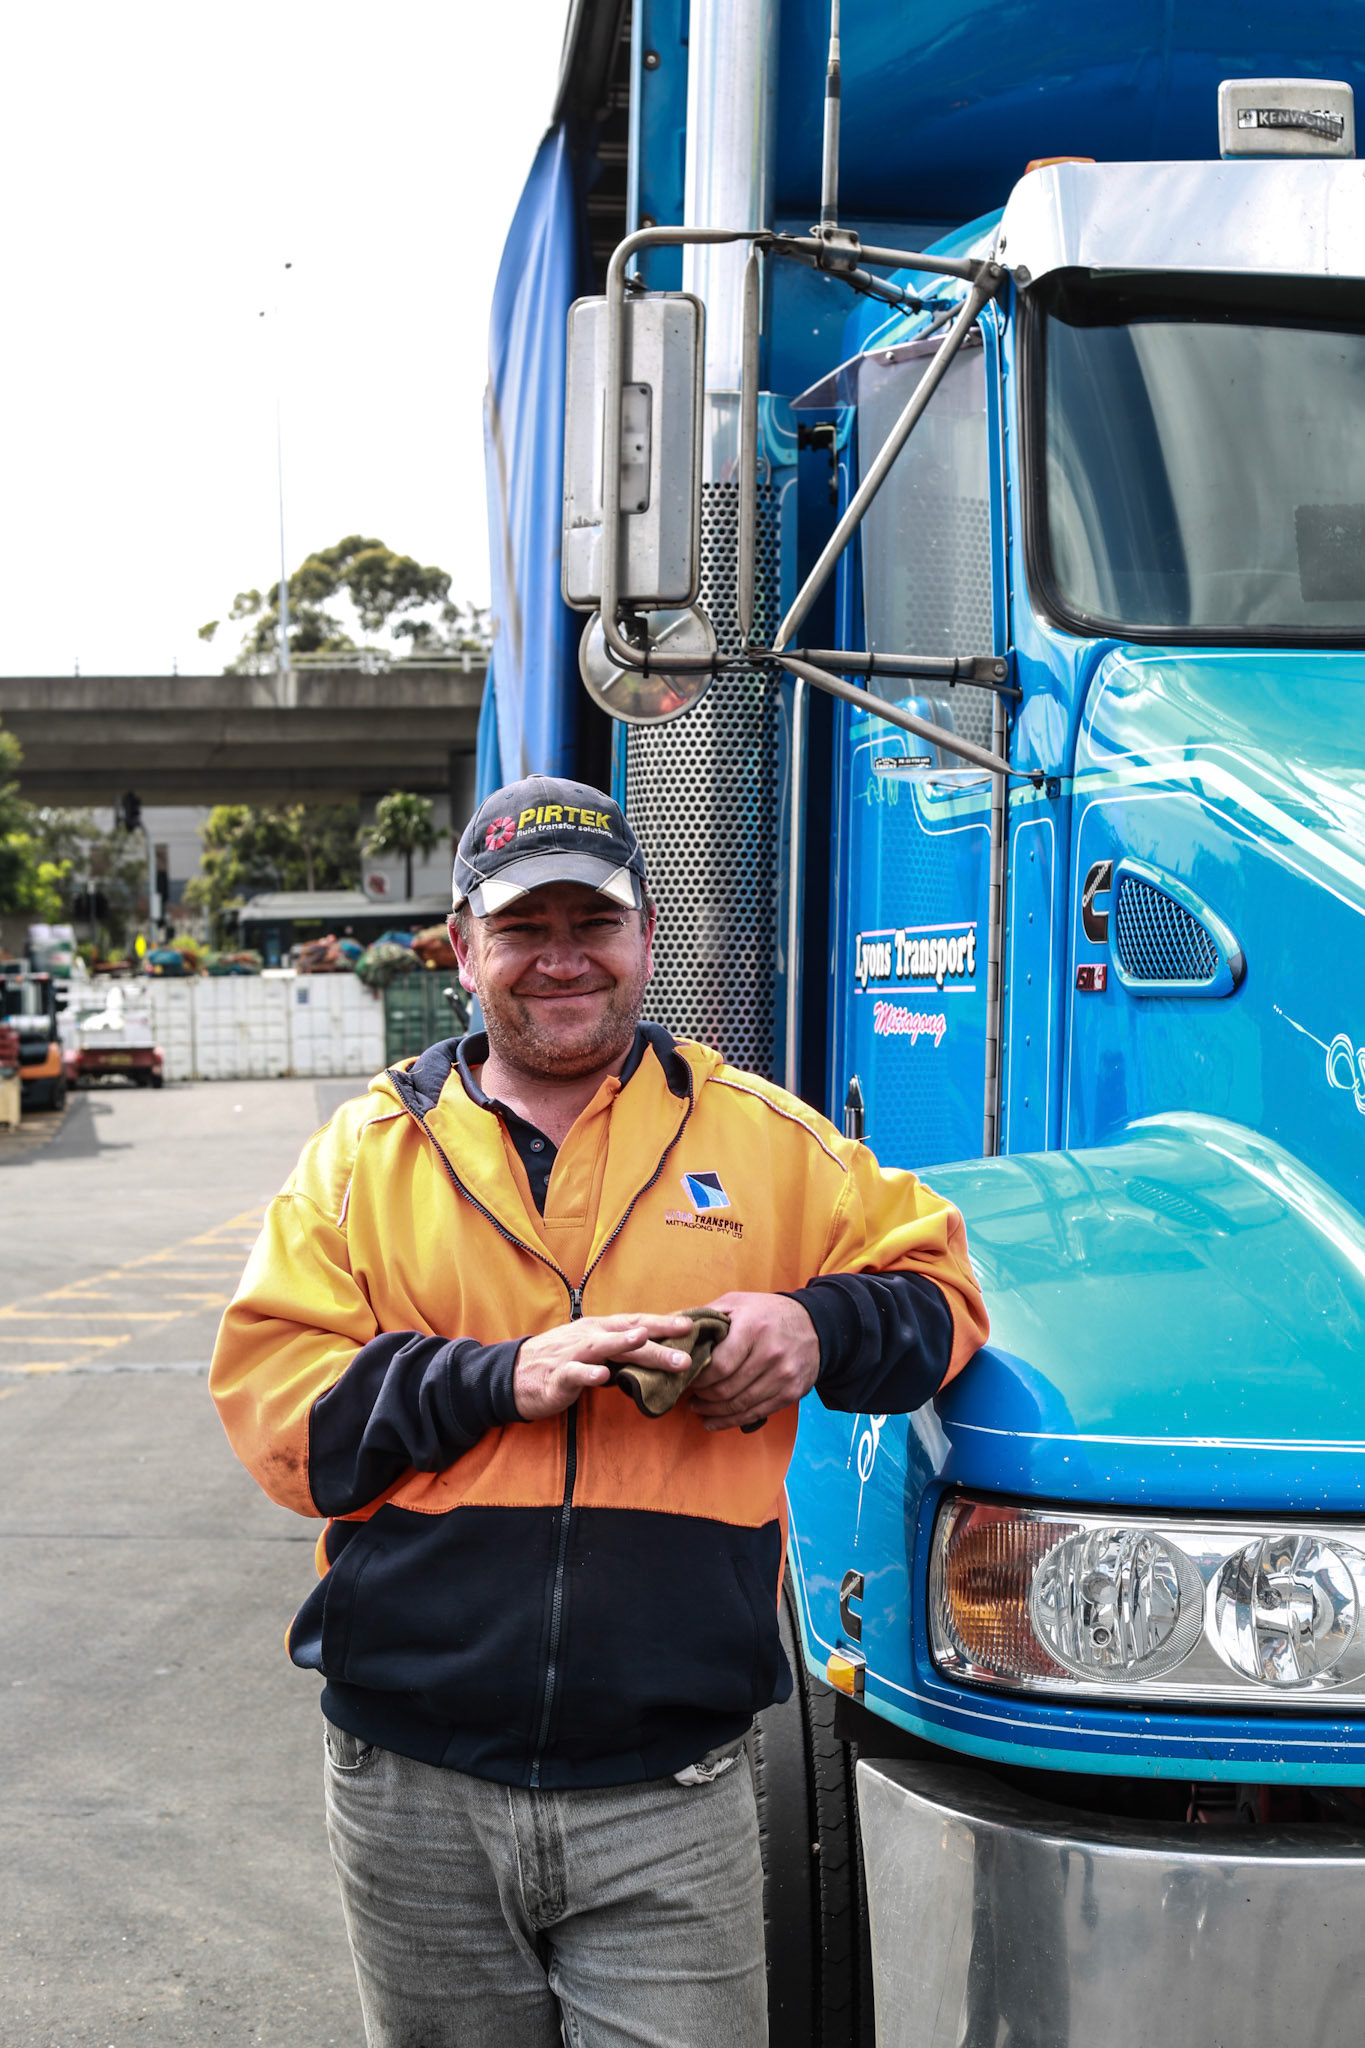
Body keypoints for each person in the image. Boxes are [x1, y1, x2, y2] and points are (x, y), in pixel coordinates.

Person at [210, 775, 989, 2048]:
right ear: (463, 950)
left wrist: (814, 1324)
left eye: (594, 923)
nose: (561, 960)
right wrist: (499, 1374)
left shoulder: (769, 1140)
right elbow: (280, 1418)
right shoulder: (363, 1158)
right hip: (415, 1789)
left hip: (668, 1793)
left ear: (644, 936)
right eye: (524, 928)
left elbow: (946, 1291)